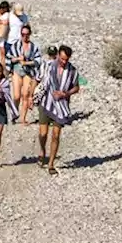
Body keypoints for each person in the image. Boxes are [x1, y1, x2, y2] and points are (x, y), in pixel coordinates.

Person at [34, 45, 80, 175]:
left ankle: (51, 164)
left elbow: (76, 87)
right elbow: (37, 79)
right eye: (62, 58)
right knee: (43, 134)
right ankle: (42, 151)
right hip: (46, 102)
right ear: (58, 55)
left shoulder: (72, 71)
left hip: (61, 106)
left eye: (67, 59)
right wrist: (32, 95)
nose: (64, 62)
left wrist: (66, 94)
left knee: (56, 135)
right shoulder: (48, 66)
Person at [11, 25, 42, 125]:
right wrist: (17, 59)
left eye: (26, 34)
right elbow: (9, 58)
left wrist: (26, 63)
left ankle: (23, 118)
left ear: (30, 34)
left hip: (28, 72)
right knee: (16, 96)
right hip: (17, 70)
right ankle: (14, 113)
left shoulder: (33, 47)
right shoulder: (15, 45)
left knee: (25, 95)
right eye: (23, 34)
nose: (24, 36)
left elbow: (38, 60)